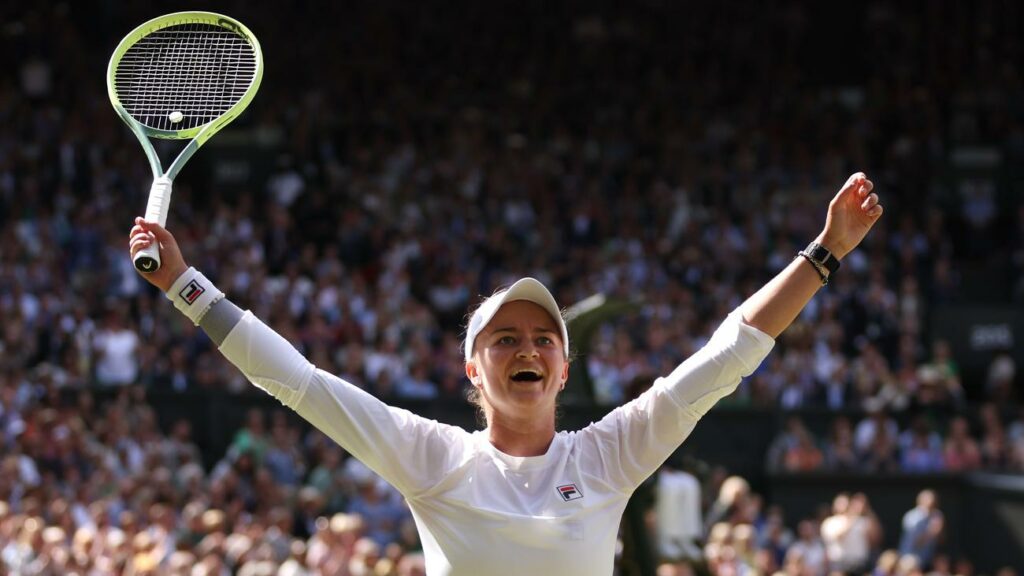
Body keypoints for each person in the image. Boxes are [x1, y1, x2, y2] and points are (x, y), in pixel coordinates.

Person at [128, 173, 882, 575]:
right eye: (504, 339)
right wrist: (189, 288)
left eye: (543, 340)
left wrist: (824, 252)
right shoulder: (433, 458)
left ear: (564, 367)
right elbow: (297, 381)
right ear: (471, 370)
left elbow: (728, 355)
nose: (527, 349)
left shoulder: (609, 455)